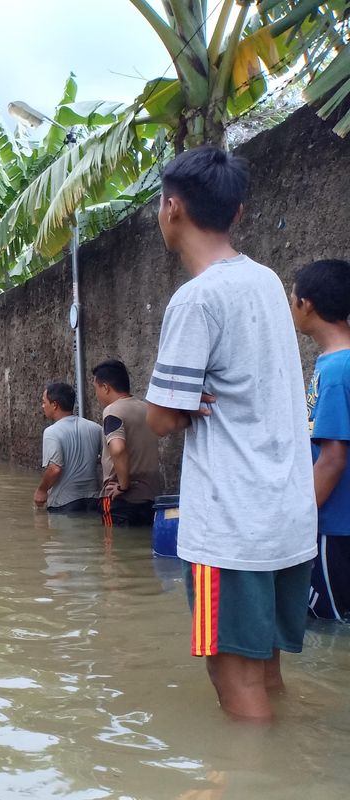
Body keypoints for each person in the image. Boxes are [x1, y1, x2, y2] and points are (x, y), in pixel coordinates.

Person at [145, 145, 315, 721]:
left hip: (232, 525)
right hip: (288, 516)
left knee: (229, 670)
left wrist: (180, 404)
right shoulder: (267, 282)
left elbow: (162, 419)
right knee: (265, 667)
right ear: (238, 213)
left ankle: (254, 780)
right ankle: (287, 766)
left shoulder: (196, 300)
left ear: (172, 209)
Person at [289, 258, 350, 621]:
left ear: (306, 304)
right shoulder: (334, 364)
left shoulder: (337, 370)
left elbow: (333, 459)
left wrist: (298, 519)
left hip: (333, 526)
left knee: (329, 625)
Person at [91, 359, 162, 526]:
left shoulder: (112, 411)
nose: (96, 394)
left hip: (120, 500)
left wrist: (123, 486)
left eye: (96, 388)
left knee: (113, 548)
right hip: (150, 497)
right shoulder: (146, 409)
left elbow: (117, 449)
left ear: (106, 387)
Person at [34, 382, 102, 513]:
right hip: (94, 501)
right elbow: (107, 460)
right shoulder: (96, 428)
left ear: (54, 405)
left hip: (64, 504)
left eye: (44, 402)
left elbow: (54, 469)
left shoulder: (51, 432)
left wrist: (41, 490)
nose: (43, 406)